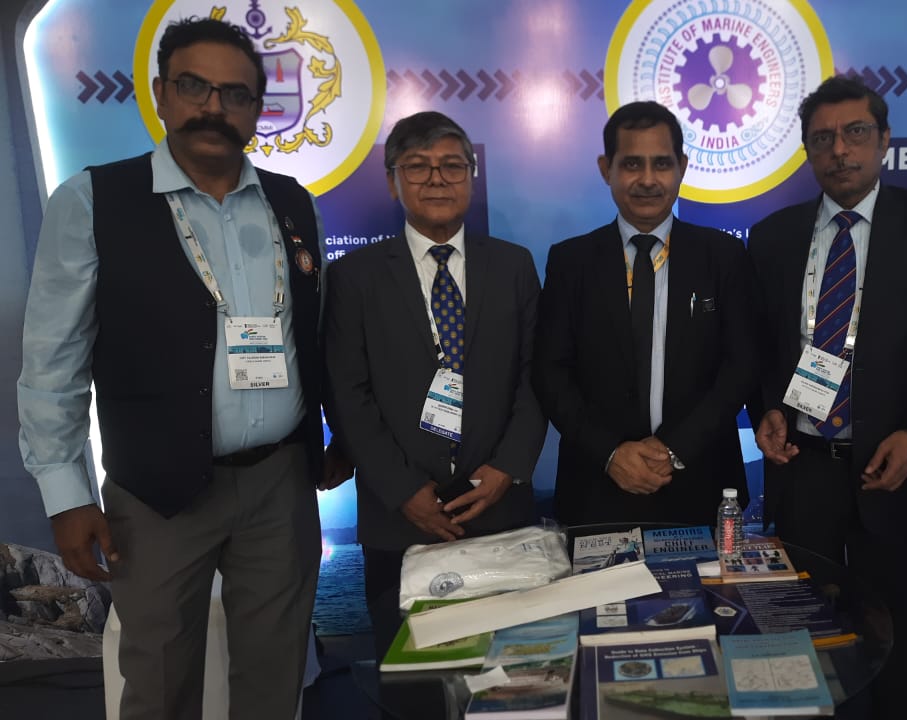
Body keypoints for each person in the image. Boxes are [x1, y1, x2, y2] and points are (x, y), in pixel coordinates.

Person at [16, 18, 348, 719]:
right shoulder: (94, 201)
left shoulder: (293, 202)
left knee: (275, 675)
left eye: (236, 94)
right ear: (162, 94)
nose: (213, 108)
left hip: (280, 486)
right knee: (160, 681)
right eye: (195, 87)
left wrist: (335, 436)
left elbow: (316, 336)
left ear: (257, 110)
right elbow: (53, 360)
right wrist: (66, 495)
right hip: (156, 494)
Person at [748, 75, 907, 720]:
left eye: (855, 133)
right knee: (805, 637)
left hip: (891, 468)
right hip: (803, 471)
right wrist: (766, 407)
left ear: (884, 140)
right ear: (807, 150)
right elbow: (758, 349)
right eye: (822, 138)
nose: (840, 150)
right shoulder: (772, 236)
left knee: (892, 639)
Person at [324, 111, 545, 658]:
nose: (437, 179)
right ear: (391, 180)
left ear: (472, 175)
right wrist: (403, 491)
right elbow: (347, 394)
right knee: (411, 674)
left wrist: (506, 469)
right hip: (398, 519)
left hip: (498, 509)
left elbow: (537, 377)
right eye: (418, 167)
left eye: (452, 165)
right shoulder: (354, 276)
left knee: (512, 672)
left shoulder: (514, 266)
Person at [533, 101, 758, 526]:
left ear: (682, 167)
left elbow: (741, 366)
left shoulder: (723, 256)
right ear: (607, 169)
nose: (648, 180)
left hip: (701, 480)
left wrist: (674, 449)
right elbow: (551, 372)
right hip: (597, 485)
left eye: (662, 164)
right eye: (632, 164)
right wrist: (610, 453)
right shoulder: (571, 262)